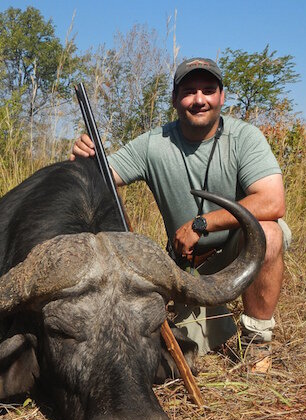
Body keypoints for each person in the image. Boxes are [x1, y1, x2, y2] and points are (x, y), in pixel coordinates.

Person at [71, 57, 291, 358]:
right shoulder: (153, 144)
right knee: (183, 352)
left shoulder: (245, 138)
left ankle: (257, 341)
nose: (199, 100)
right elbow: (98, 179)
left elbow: (272, 201)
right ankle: (207, 314)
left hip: (236, 254)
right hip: (188, 268)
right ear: (175, 99)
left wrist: (201, 224)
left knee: (268, 233)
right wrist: (83, 159)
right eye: (189, 91)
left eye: (208, 90)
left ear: (222, 97)